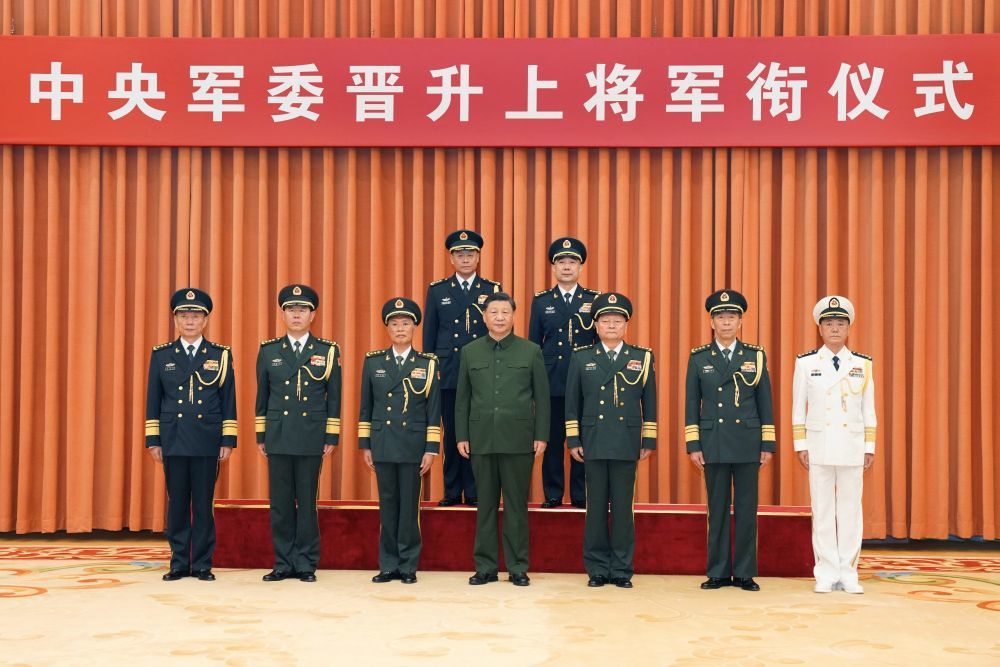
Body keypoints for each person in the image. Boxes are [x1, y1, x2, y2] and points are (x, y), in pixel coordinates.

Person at [455, 292, 550, 586]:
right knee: (484, 505)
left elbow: (542, 399)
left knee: (516, 505)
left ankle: (518, 566)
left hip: (519, 439)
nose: (499, 317)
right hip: (481, 438)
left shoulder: (530, 350)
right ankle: (485, 567)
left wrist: (541, 436)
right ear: (484, 317)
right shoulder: (470, 351)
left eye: (504, 312)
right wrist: (461, 435)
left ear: (513, 316)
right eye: (493, 312)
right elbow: (462, 399)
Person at [685, 289, 775, 592]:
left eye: (732, 317)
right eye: (720, 317)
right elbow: (690, 403)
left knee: (747, 509)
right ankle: (719, 572)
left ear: (740, 321)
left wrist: (768, 443)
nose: (726, 322)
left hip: (748, 442)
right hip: (714, 442)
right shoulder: (699, 358)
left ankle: (746, 572)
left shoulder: (755, 356)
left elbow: (766, 403)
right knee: (718, 508)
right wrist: (693, 444)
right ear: (712, 322)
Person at [565, 292, 656, 588]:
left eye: (618, 320)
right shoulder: (582, 358)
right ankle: (597, 569)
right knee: (594, 510)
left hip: (626, 441)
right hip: (592, 440)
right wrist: (573, 438)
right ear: (596, 325)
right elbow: (572, 403)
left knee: (621, 509)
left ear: (626, 325)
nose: (612, 325)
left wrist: (649, 439)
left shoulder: (641, 357)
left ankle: (621, 569)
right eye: (606, 320)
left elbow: (650, 403)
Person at [145, 288, 236, 582]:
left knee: (203, 503)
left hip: (207, 439)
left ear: (205, 320)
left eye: (195, 316)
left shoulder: (220, 354)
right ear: (175, 320)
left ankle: (201, 563)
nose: (189, 321)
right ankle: (178, 561)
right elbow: (153, 400)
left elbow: (228, 400)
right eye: (183, 316)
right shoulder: (162, 355)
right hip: (173, 439)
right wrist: (153, 439)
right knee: (178, 503)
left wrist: (228, 439)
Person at [255, 284, 341, 583]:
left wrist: (331, 436)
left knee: (306, 502)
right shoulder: (268, 351)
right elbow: (262, 397)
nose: (296, 314)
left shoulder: (327, 351)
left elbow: (335, 396)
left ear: (312, 315)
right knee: (280, 503)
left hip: (310, 434)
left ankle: (305, 562)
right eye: (291, 309)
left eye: (302, 309)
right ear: (282, 314)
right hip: (278, 434)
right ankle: (282, 562)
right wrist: (260, 435)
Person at [792, 295, 876, 594]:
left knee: (851, 510)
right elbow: (797, 407)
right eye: (829, 323)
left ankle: (848, 571)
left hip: (852, 445)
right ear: (820, 329)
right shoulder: (806, 363)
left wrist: (869, 447)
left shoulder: (862, 364)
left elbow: (869, 409)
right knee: (823, 509)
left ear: (849, 328)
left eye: (841, 323)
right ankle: (826, 571)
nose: (835, 328)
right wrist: (800, 443)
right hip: (819, 445)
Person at [358, 298, 442, 585]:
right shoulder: (373, 361)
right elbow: (366, 407)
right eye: (394, 324)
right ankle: (388, 564)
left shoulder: (427, 364)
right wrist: (365, 444)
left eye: (406, 323)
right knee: (388, 505)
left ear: (415, 328)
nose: (400, 328)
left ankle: (408, 564)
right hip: (382, 443)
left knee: (409, 508)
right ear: (387, 328)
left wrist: (431, 448)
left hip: (413, 445)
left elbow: (434, 410)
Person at [423, 229, 501, 507]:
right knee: (453, 433)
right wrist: (432, 369)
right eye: (460, 254)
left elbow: (498, 333)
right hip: (449, 371)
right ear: (451, 258)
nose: (465, 258)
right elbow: (429, 335)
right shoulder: (438, 290)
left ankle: (476, 489)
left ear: (478, 257)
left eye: (471, 254)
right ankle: (452, 490)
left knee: (478, 432)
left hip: (482, 372)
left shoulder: (491, 290)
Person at [528, 237, 599, 509]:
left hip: (585, 381)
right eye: (561, 262)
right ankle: (554, 494)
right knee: (553, 438)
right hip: (552, 380)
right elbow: (534, 345)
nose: (567, 267)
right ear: (553, 267)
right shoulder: (542, 300)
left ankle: (580, 495)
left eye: (572, 262)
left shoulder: (592, 299)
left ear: (580, 267)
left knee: (583, 438)